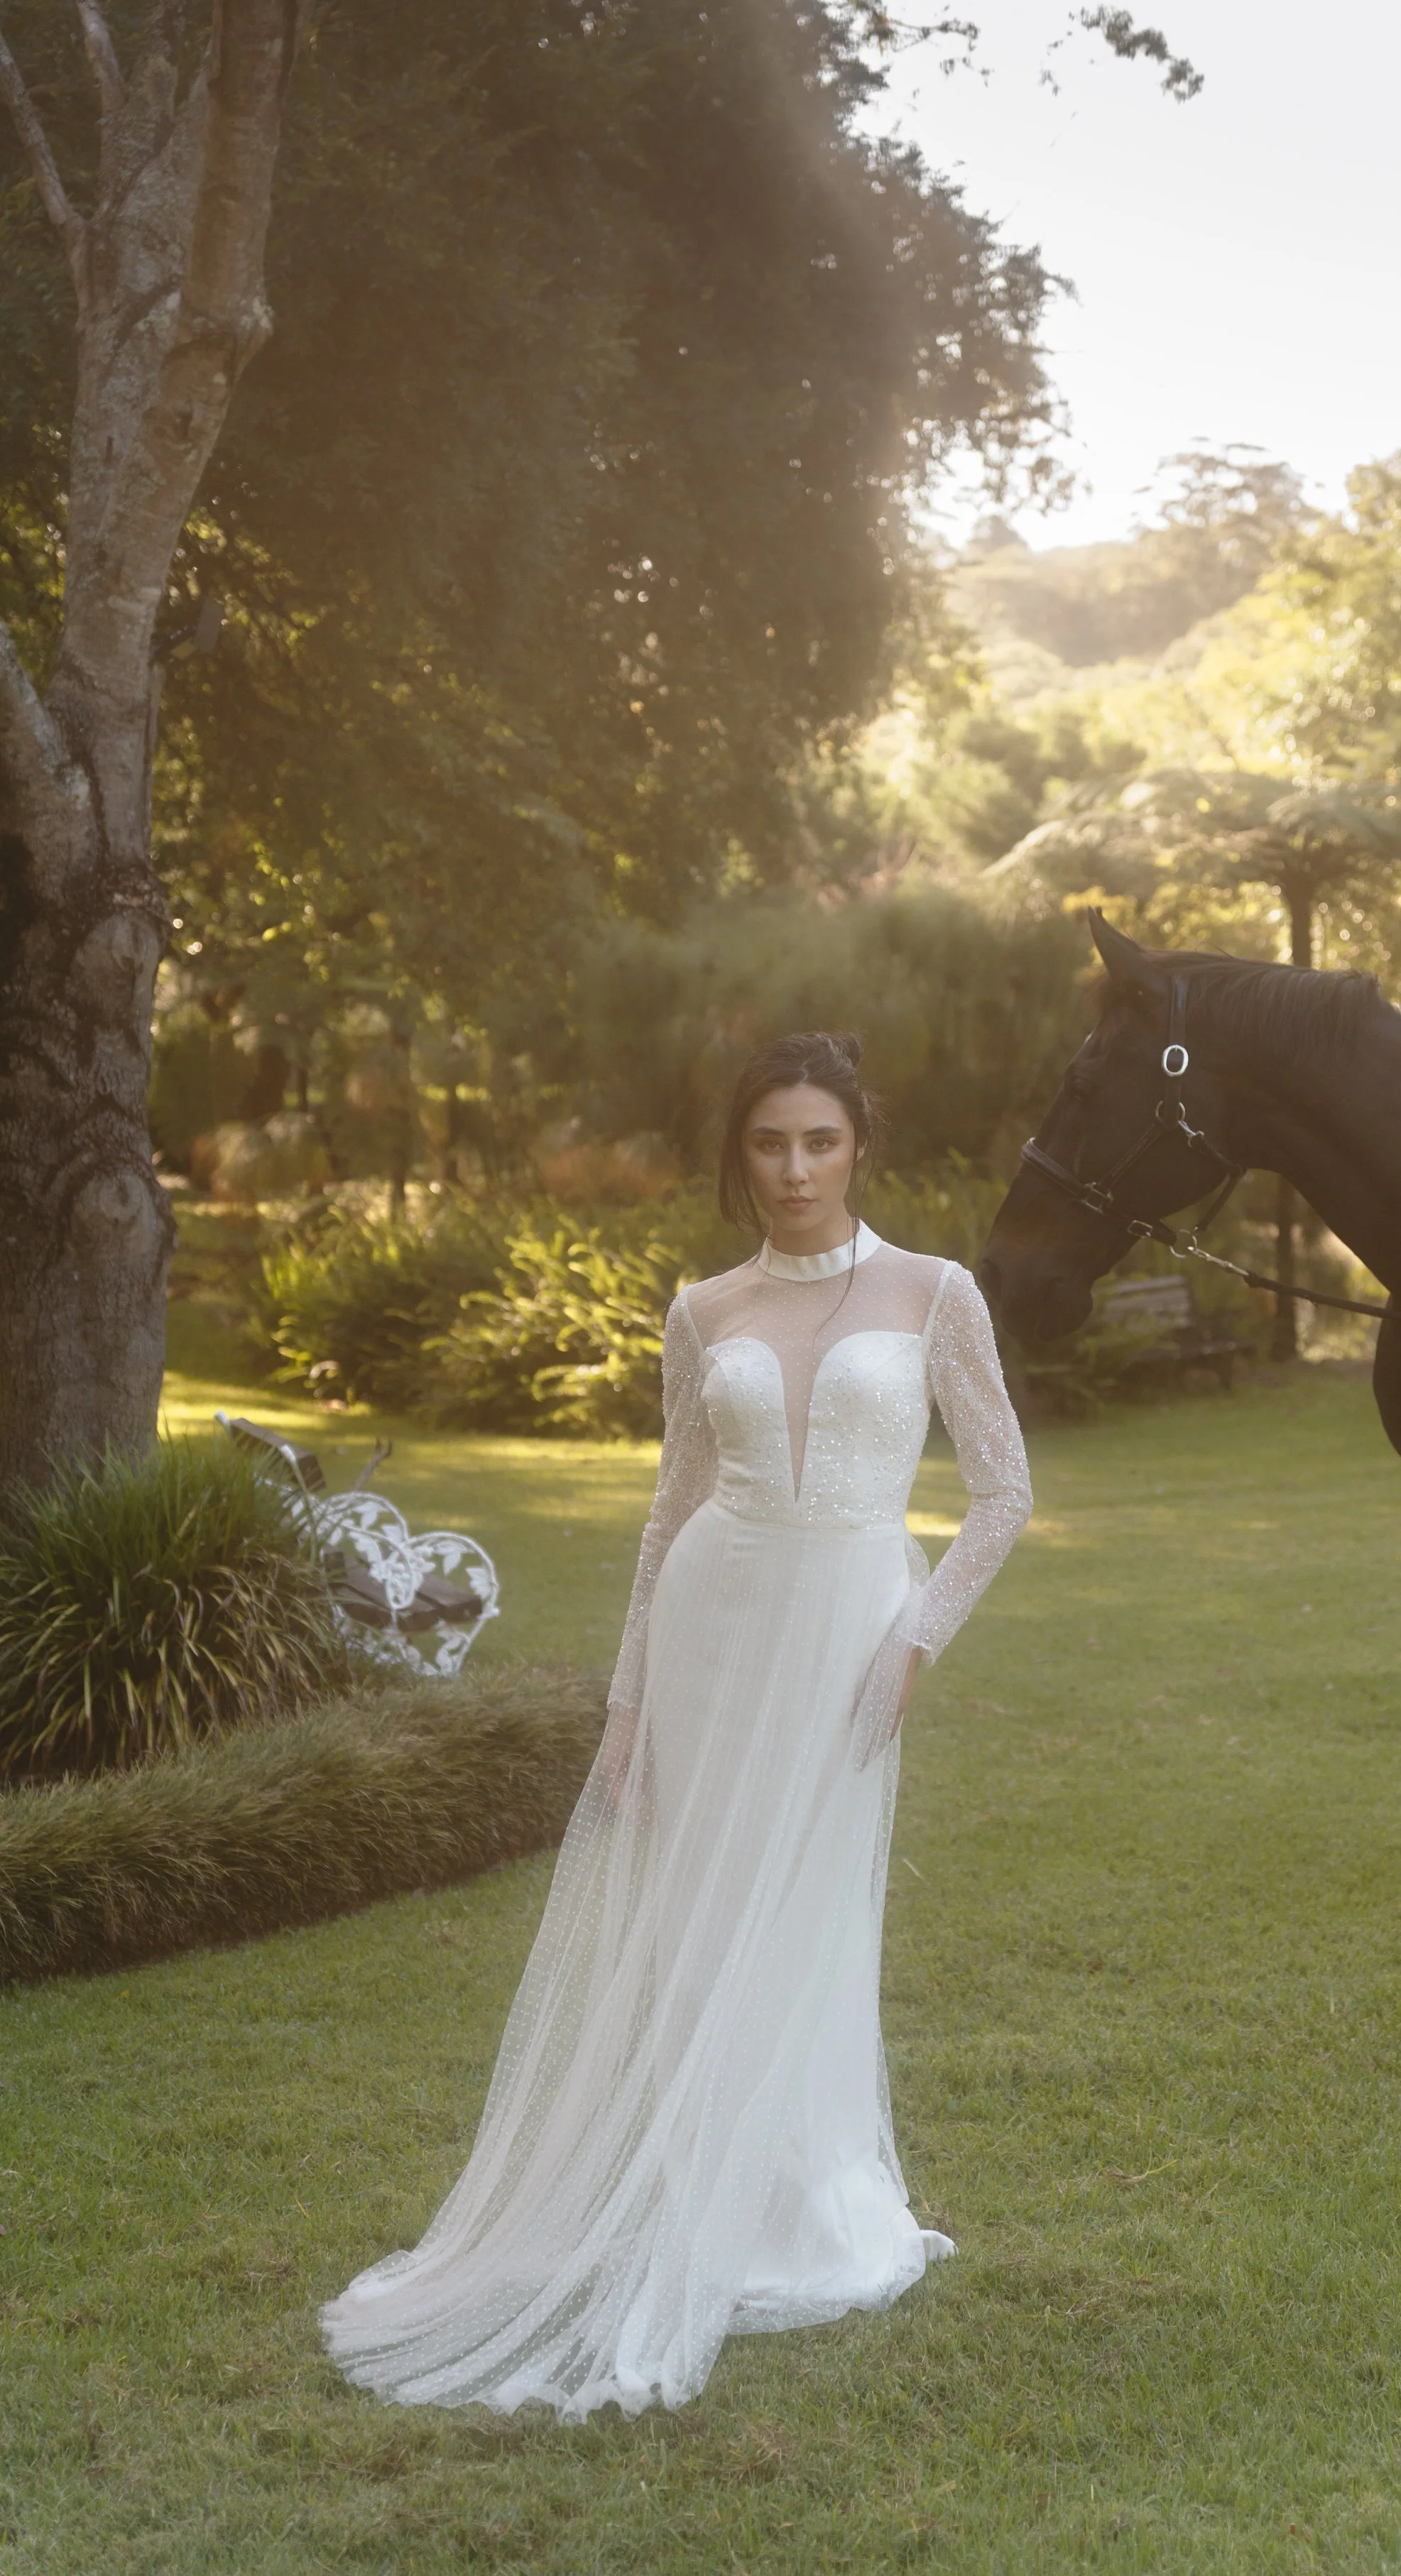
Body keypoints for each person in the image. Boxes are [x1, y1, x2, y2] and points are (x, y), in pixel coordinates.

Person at [321, 1031, 1032, 2418]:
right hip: (715, 1616)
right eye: (767, 1142)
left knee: (814, 1906)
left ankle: (805, 2191)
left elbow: (1001, 1491)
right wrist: (627, 1708)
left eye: (817, 1139)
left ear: (858, 1145)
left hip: (849, 1630)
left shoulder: (935, 1291)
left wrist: (916, 1634)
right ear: (736, 1155)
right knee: (702, 1912)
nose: (793, 1168)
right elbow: (666, 1512)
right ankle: (701, 2179)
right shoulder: (703, 1308)